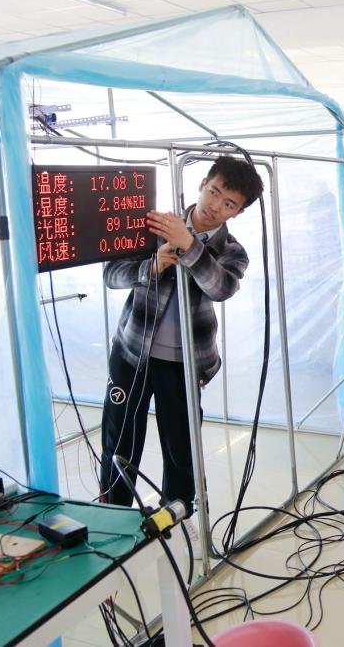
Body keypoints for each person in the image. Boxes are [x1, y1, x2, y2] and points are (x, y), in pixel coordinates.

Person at [99, 156, 261, 516]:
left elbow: (220, 288)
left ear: (238, 212)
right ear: (202, 184)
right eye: (214, 192)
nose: (215, 206)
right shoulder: (155, 225)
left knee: (181, 447)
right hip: (131, 353)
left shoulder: (233, 251)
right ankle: (113, 515)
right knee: (119, 439)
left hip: (184, 363)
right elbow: (111, 275)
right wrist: (152, 266)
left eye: (229, 204)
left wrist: (188, 244)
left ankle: (177, 514)